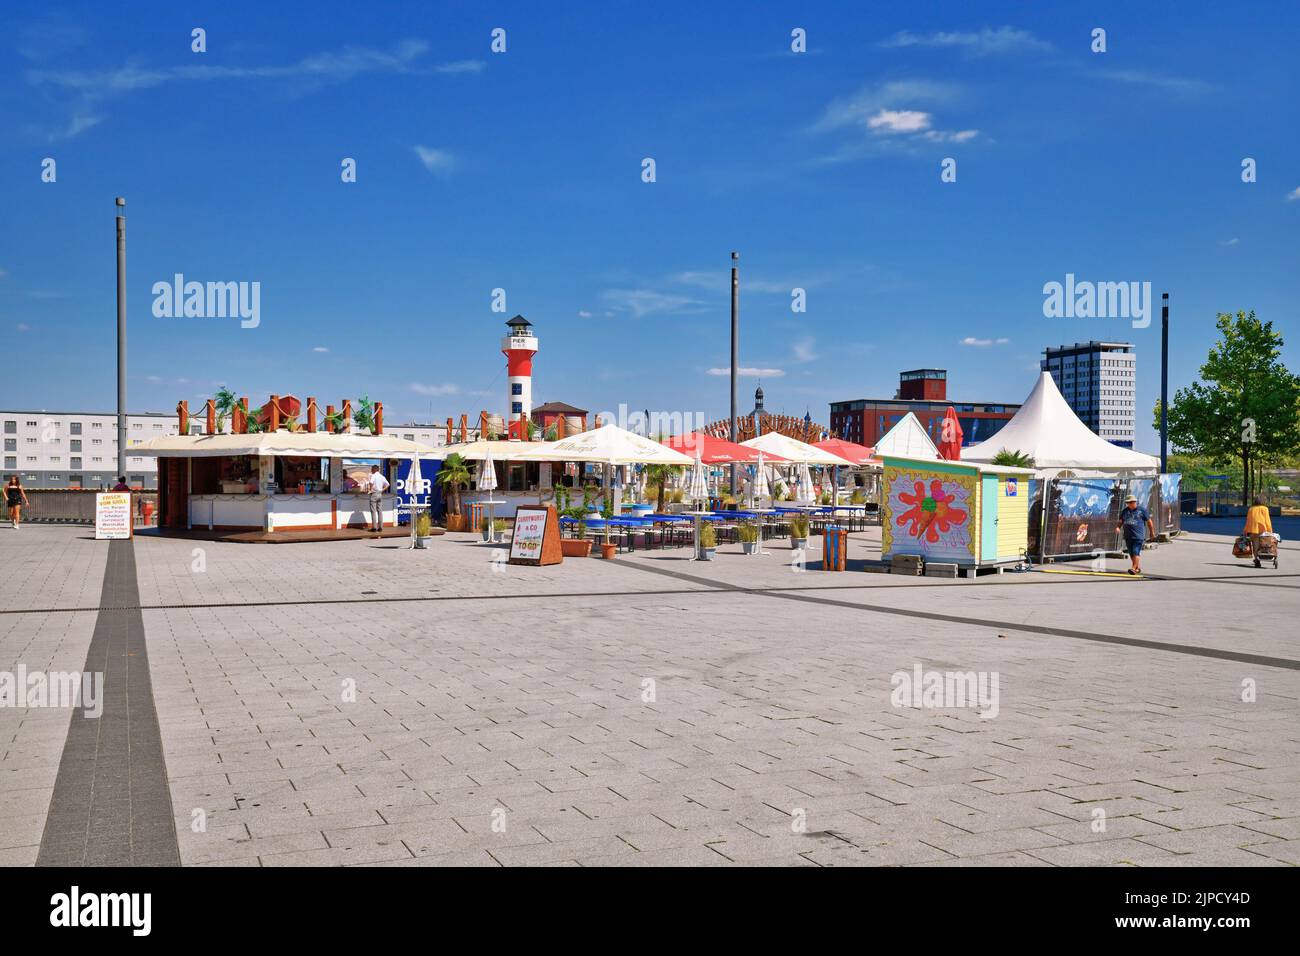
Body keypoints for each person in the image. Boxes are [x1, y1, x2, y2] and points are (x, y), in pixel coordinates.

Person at [1115, 493, 1155, 575]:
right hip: (1128, 536)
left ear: (1134, 502)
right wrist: (1118, 527)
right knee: (1131, 553)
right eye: (1127, 502)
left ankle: (1133, 568)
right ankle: (1137, 568)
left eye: (1129, 502)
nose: (1128, 504)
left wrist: (1152, 532)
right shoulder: (1125, 511)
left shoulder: (1142, 510)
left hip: (1138, 536)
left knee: (1136, 551)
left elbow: (1149, 522)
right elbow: (1121, 520)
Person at [366, 465, 389, 533]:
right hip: (380, 494)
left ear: (374, 469)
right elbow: (388, 484)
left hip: (374, 493)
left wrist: (370, 489)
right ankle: (380, 527)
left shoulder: (374, 475)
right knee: (380, 511)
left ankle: (374, 527)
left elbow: (371, 483)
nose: (371, 470)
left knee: (373, 511)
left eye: (372, 469)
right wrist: (382, 490)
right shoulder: (382, 476)